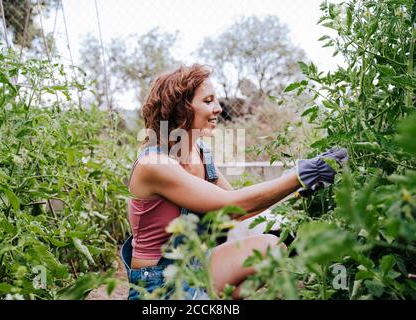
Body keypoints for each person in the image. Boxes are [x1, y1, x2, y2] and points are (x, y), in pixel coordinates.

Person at [120, 63, 348, 300]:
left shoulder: (200, 152)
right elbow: (229, 204)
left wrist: (297, 188)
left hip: (196, 265)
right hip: (158, 284)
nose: (218, 108)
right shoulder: (154, 164)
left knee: (272, 247)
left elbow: (239, 213)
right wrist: (298, 176)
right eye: (208, 101)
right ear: (181, 109)